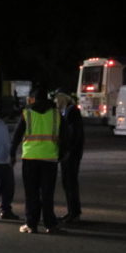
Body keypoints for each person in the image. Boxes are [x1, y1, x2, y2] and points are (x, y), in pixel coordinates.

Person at [10, 85, 66, 234]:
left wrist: (12, 154)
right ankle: (50, 224)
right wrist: (62, 154)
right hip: (50, 158)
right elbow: (66, 136)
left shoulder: (26, 113)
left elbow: (16, 136)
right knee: (47, 193)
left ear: (33, 98)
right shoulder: (56, 114)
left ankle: (31, 224)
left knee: (31, 193)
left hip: (30, 158)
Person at [53, 88, 84, 224]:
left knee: (70, 183)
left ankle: (74, 213)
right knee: (67, 183)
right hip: (69, 153)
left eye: (57, 99)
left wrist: (67, 150)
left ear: (64, 99)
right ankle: (72, 212)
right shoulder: (66, 112)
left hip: (71, 154)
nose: (55, 102)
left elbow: (73, 134)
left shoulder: (72, 111)